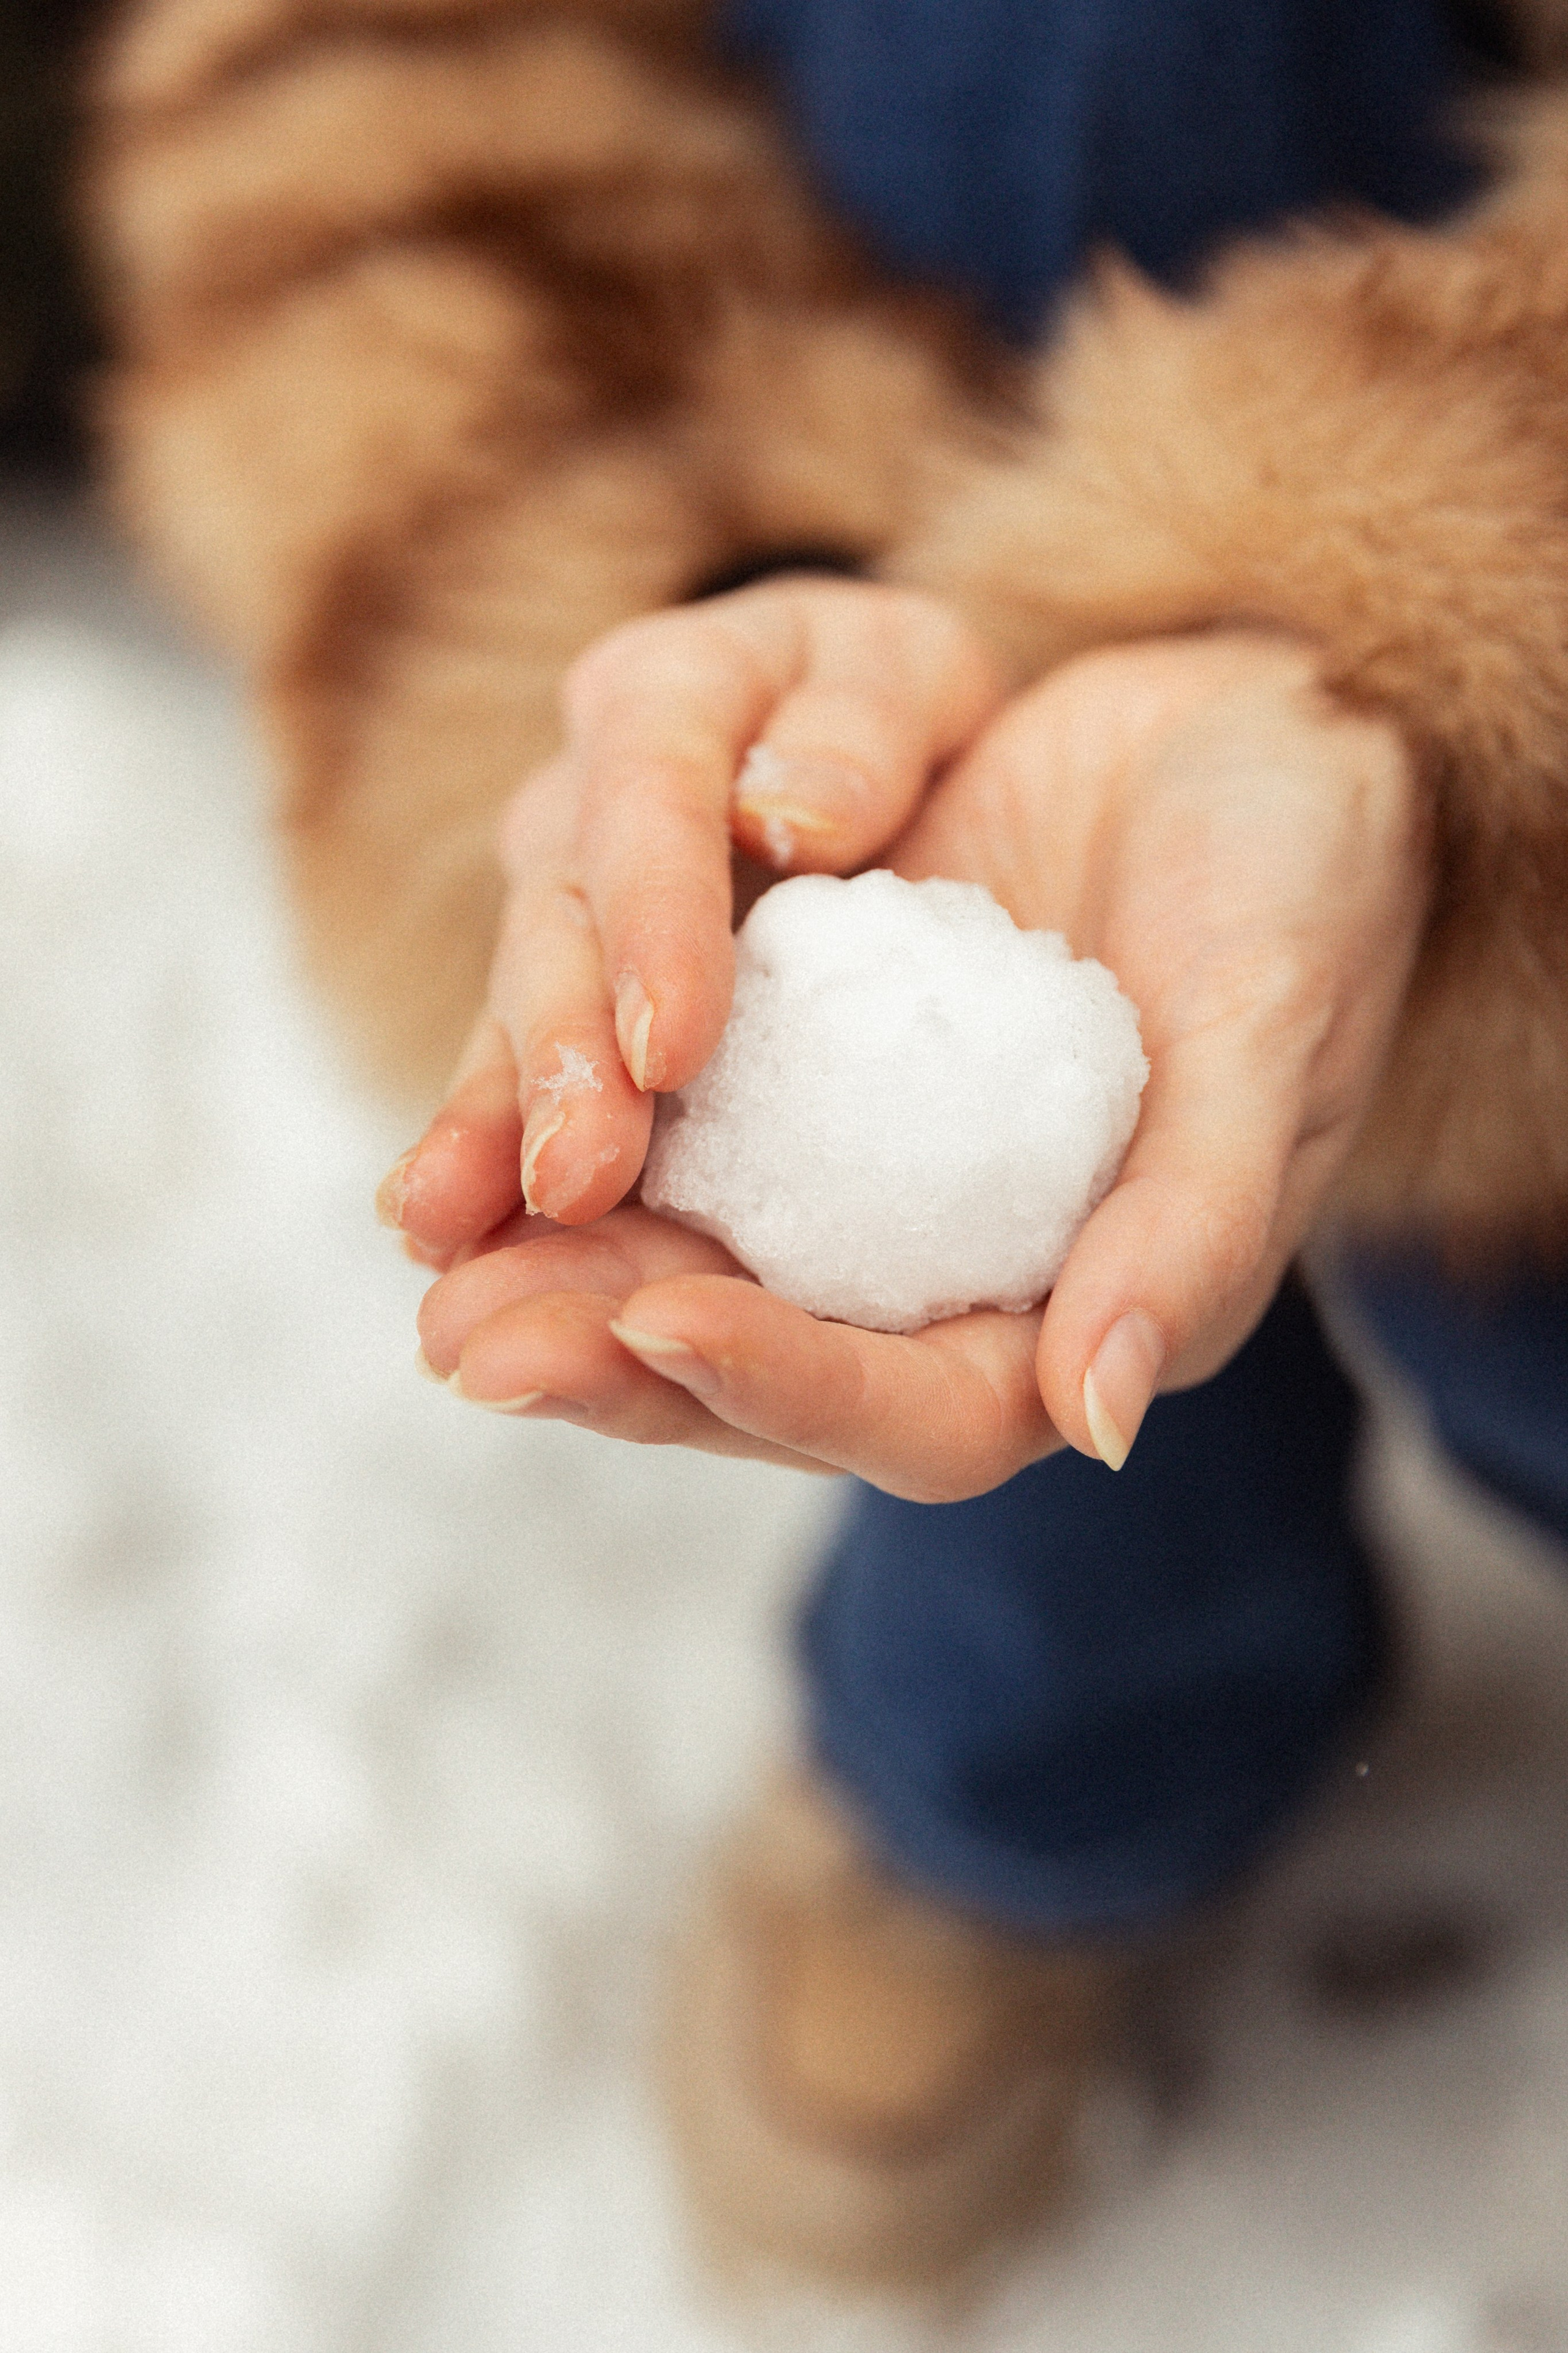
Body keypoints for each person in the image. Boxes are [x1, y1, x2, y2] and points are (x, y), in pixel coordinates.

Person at [86, 0, 1568, 2295]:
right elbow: (338, 73)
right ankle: (1046, 1722)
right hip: (871, 381)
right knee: (1062, 1400)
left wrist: (1417, 604)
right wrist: (715, 572)